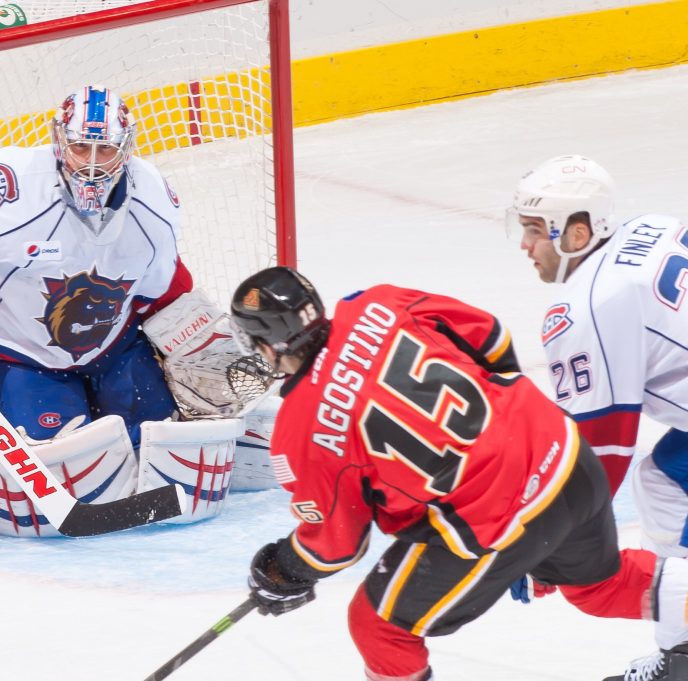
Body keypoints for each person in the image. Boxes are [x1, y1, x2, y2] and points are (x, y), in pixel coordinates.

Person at [0, 85, 275, 537]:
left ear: (126, 149)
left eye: (106, 149)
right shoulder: (5, 184)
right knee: (66, 468)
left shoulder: (154, 200)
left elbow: (161, 286)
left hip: (114, 346)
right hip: (12, 352)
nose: (92, 164)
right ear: (58, 142)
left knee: (154, 443)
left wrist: (194, 340)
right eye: (81, 147)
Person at [228, 266, 688, 681]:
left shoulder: (302, 429)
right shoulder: (378, 302)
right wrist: (503, 424)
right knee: (602, 587)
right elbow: (491, 336)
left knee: (378, 625)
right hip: (562, 450)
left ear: (267, 345)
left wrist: (284, 568)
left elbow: (337, 543)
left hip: (498, 515)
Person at [509, 155, 688, 677]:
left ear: (578, 233)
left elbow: (600, 453)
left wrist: (546, 542)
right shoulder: (651, 228)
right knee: (662, 481)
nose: (525, 246)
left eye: (534, 230)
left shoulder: (588, 307)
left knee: (598, 565)